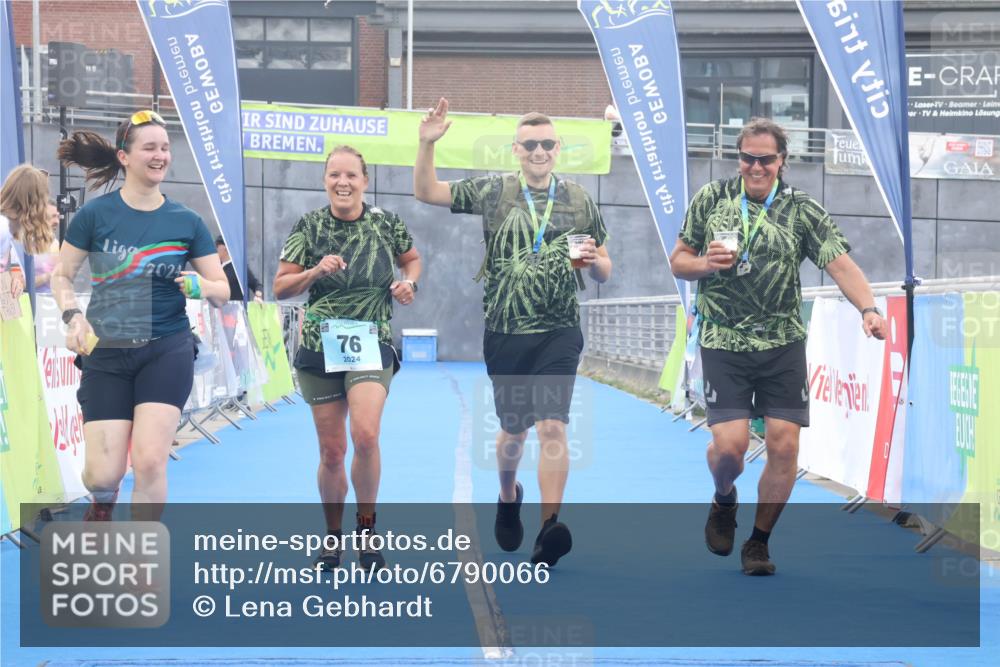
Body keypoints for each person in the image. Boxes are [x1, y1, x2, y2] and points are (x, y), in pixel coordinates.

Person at [669, 117, 887, 576]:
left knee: (784, 447)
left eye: (765, 159)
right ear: (739, 158)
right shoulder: (711, 199)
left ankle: (758, 543)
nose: (756, 166)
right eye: (748, 157)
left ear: (782, 161)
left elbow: (840, 264)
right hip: (723, 340)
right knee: (729, 450)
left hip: (782, 344)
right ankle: (724, 499)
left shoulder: (802, 209)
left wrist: (867, 309)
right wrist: (706, 262)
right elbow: (678, 261)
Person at [414, 99, 612, 567]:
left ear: (558, 149)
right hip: (505, 330)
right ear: (516, 150)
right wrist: (426, 144)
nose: (539, 151)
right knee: (512, 434)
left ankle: (549, 528)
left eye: (547, 144)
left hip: (559, 330)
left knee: (552, 425)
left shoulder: (580, 199)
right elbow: (427, 192)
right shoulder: (494, 191)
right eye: (530, 145)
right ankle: (508, 495)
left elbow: (605, 268)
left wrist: (593, 263)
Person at [51, 110, 230, 521]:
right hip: (108, 351)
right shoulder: (95, 215)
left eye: (165, 148)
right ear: (124, 157)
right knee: (102, 475)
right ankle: (101, 502)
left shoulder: (186, 221)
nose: (160, 155)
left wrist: (201, 287)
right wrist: (72, 316)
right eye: (149, 147)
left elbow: (222, 289)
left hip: (166, 347)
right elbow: (61, 275)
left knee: (150, 461)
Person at [274, 145, 421, 571]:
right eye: (335, 175)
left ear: (365, 181)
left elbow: (411, 260)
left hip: (371, 341)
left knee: (367, 436)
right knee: (333, 451)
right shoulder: (309, 226)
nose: (343, 182)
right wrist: (315, 271)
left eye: (351, 175)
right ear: (325, 181)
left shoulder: (386, 223)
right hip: (320, 348)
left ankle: (368, 531)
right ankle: (333, 537)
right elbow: (282, 286)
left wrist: (409, 284)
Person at [0, 164, 55, 298]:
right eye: (43, 200)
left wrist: (16, 280)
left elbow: (13, 266)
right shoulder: (3, 228)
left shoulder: (9, 230)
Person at [215, 235, 263, 302]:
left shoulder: (239, 268)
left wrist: (258, 296)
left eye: (217, 246)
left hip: (235, 310)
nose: (215, 249)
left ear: (225, 247)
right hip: (218, 309)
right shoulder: (216, 267)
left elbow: (256, 285)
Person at [33, 201, 61, 293]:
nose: (57, 221)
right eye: (53, 216)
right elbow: (19, 283)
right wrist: (51, 275)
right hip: (28, 303)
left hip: (50, 303)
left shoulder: (55, 243)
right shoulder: (23, 244)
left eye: (58, 216)